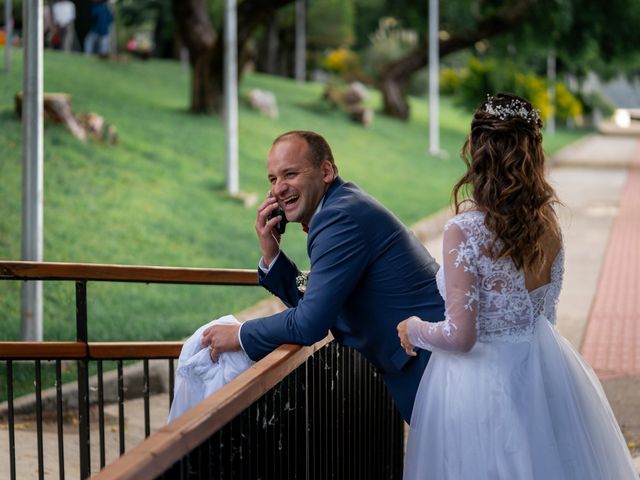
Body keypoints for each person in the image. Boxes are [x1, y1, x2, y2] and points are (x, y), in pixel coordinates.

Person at [397, 93, 637, 479]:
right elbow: (546, 315)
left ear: (477, 150)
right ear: (533, 154)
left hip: (479, 387)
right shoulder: (549, 226)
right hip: (543, 375)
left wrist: (413, 329)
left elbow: (461, 336)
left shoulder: (464, 231)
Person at [201, 130, 445, 423]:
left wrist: (240, 334)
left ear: (326, 171)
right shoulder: (340, 206)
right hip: (422, 364)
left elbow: (309, 323)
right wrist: (272, 255)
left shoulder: (339, 218)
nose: (278, 189)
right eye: (272, 179)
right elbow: (319, 305)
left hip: (434, 366)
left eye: (289, 174)